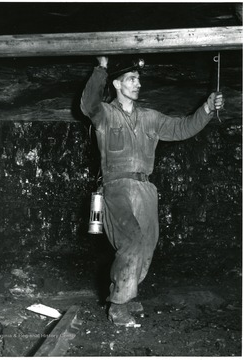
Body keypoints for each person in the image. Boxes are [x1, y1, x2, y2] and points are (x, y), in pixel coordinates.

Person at [80, 56, 224, 327]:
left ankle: (129, 293)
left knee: (147, 245)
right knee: (131, 240)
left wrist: (206, 108)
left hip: (145, 188)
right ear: (117, 84)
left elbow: (182, 128)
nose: (138, 83)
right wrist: (100, 69)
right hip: (117, 186)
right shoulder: (105, 114)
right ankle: (119, 305)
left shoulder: (150, 117)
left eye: (138, 79)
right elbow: (88, 103)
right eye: (131, 79)